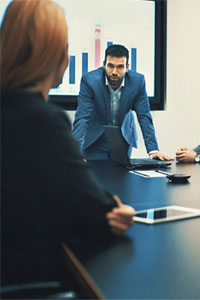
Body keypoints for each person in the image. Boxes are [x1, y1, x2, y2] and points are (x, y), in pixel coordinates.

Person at [0, 0, 135, 288]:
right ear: (53, 54)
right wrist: (111, 208)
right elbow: (97, 214)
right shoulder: (42, 120)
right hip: (30, 278)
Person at [72, 44, 171, 161]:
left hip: (122, 139)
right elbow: (82, 118)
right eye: (110, 66)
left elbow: (144, 116)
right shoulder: (90, 81)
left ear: (127, 67)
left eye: (120, 67)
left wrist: (153, 150)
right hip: (96, 140)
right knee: (95, 176)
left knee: (122, 176)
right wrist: (75, 153)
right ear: (104, 64)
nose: (114, 72)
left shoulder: (137, 81)